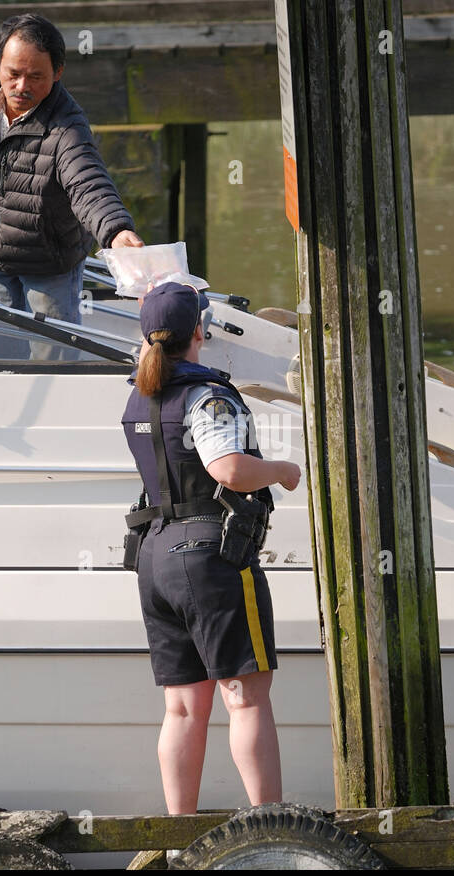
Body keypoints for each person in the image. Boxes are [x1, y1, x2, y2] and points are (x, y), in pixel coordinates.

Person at [120, 281, 301, 817]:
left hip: (154, 558)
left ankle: (180, 829)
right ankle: (270, 825)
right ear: (200, 330)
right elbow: (229, 469)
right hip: (210, 558)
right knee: (245, 698)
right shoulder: (208, 394)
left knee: (181, 708)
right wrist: (283, 471)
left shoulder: (140, 395)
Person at [0, 13, 144, 360]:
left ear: (58, 73)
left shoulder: (67, 126)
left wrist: (116, 232)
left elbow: (87, 183)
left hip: (49, 262)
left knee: (53, 362)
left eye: (36, 76)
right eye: (13, 74)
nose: (22, 86)